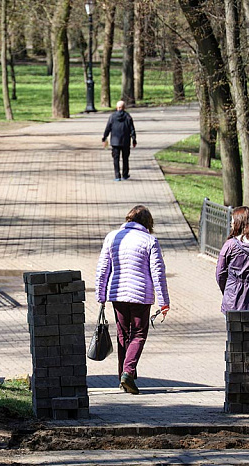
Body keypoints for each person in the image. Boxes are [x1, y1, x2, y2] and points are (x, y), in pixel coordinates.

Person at [95, 205, 170, 394]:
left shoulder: (112, 237)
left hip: (117, 294)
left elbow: (103, 268)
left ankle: (123, 374)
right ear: (148, 223)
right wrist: (164, 302)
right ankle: (128, 373)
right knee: (138, 334)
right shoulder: (150, 241)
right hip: (141, 295)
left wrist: (101, 295)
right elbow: (158, 273)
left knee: (123, 334)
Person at [102, 100, 137, 181]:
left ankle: (117, 176)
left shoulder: (112, 117)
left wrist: (104, 137)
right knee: (125, 158)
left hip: (115, 142)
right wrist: (134, 139)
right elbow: (132, 129)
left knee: (116, 159)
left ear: (117, 108)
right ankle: (125, 174)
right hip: (125, 141)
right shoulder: (128, 116)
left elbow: (108, 128)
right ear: (124, 108)